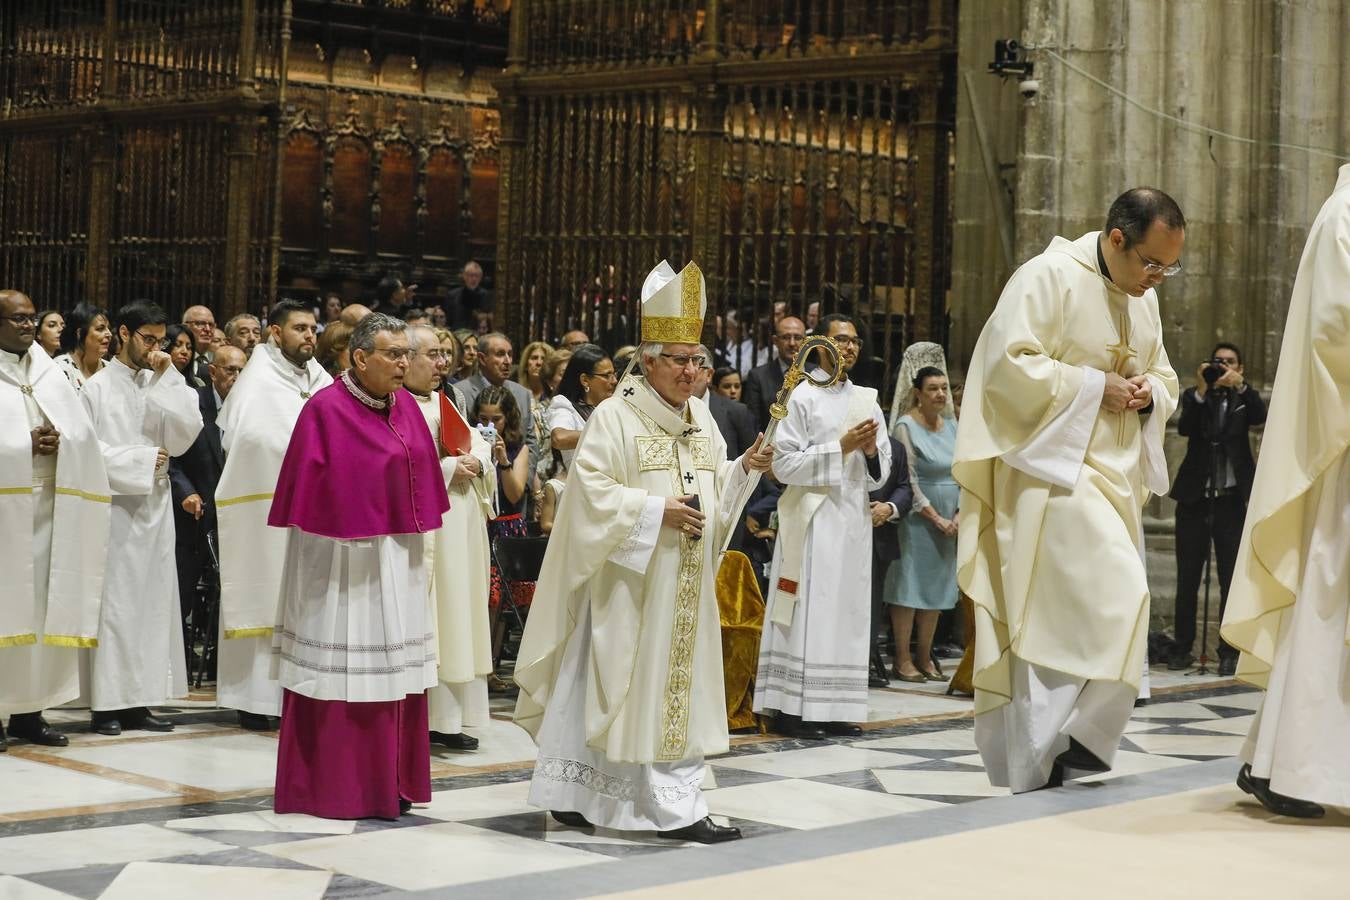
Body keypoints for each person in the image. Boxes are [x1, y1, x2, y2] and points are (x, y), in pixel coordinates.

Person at [514, 259, 772, 843]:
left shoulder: (703, 419)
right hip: (627, 582)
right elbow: (589, 495)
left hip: (681, 585)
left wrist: (742, 471)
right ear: (648, 360)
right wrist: (658, 513)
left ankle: (672, 802)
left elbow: (709, 492)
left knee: (666, 689)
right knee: (607, 682)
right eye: (678, 360)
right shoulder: (615, 416)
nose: (690, 371)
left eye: (697, 360)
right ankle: (583, 793)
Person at [954, 187, 1183, 793]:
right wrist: (1092, 387)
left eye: (1169, 266)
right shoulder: (1047, 276)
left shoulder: (1144, 301)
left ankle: (1071, 744)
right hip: (1049, 473)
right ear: (1116, 240)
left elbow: (1164, 373)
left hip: (1112, 475)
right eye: (1151, 262)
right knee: (1072, 611)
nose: (1157, 279)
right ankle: (1043, 752)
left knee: (1105, 607)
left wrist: (1147, 394)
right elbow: (1006, 369)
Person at [269, 312, 448, 820]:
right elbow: (311, 501)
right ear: (360, 357)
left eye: (406, 353)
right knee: (344, 673)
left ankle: (392, 780)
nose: (404, 363)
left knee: (396, 673)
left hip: (398, 562)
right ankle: (337, 786)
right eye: (394, 354)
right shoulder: (324, 411)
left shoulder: (407, 407)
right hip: (340, 571)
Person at [1220, 163, 1350, 820]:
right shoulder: (1345, 217)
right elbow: (1335, 329)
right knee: (1330, 604)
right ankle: (1293, 768)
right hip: (1344, 442)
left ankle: (1279, 762)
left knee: (1327, 610)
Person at [754, 313, 890, 739]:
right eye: (840, 340)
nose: (848, 347)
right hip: (810, 522)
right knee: (807, 608)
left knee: (845, 612)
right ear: (821, 346)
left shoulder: (867, 400)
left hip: (850, 521)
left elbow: (879, 475)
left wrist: (868, 452)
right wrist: (841, 447)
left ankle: (833, 707)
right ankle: (793, 710)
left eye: (854, 341)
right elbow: (782, 463)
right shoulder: (802, 397)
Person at [82, 300, 204, 735]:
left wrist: (169, 375)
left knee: (153, 603)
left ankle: (141, 701)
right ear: (123, 333)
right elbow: (85, 451)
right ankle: (107, 705)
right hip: (115, 508)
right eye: (147, 339)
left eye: (160, 340)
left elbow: (186, 434)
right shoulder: (96, 388)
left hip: (154, 509)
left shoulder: (160, 382)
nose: (154, 348)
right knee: (116, 604)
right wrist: (141, 459)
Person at [0, 290, 110, 751]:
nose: (27, 326)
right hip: (6, 511)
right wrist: (22, 445)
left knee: (41, 613)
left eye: (31, 319)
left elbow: (84, 431)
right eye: (18, 319)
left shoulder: (49, 372)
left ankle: (29, 711)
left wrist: (63, 441)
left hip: (50, 508)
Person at [215, 300, 331, 730]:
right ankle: (253, 699)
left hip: (313, 512)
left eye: (313, 328)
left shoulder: (320, 378)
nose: (309, 336)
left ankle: (300, 694)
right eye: (299, 328)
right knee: (264, 596)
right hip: (265, 510)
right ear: (276, 335)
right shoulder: (257, 380)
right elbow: (246, 439)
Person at [405, 325, 494, 752]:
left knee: (458, 617)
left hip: (460, 526)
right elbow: (397, 456)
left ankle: (450, 717)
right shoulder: (395, 402)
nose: (443, 363)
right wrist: (445, 470)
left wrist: (479, 457)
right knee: (434, 620)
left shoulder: (448, 400)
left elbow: (475, 438)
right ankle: (420, 716)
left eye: (445, 354)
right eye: (433, 354)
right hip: (426, 529)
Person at [1167, 342, 1267, 675]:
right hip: (1195, 498)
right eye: (1217, 362)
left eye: (1230, 363)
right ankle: (1182, 648)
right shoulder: (1198, 396)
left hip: (1231, 501)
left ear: (1240, 367)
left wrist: (1238, 385)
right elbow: (1184, 428)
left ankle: (1228, 651)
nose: (1222, 367)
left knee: (1229, 578)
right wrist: (1201, 389)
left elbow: (1260, 417)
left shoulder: (1243, 398)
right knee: (1188, 577)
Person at [168, 344, 242, 672]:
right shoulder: (192, 404)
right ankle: (172, 659)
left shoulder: (250, 408)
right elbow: (170, 456)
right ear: (212, 372)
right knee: (180, 594)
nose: (237, 378)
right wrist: (186, 491)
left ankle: (220, 660)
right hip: (193, 519)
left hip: (236, 520)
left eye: (243, 371)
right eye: (230, 370)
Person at [888, 367, 960, 682]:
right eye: (933, 388)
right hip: (918, 520)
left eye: (944, 388)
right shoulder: (906, 426)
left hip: (951, 517)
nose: (940, 395)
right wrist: (935, 516)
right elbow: (909, 477)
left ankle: (924, 655)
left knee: (936, 592)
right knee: (909, 588)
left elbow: (963, 470)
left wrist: (958, 515)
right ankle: (902, 657)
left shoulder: (953, 427)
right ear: (918, 392)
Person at [474, 386, 535, 621]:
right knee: (480, 599)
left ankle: (493, 656)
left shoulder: (518, 449)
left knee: (501, 604)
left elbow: (514, 494)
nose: (490, 426)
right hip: (479, 525)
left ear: (507, 418)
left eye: (496, 419)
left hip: (506, 529)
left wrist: (502, 460)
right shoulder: (469, 445)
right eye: (483, 419)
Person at [868, 434, 912, 687]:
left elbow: (905, 487)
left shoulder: (895, 446)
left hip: (880, 535)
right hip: (842, 533)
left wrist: (889, 507)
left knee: (873, 602)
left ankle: (864, 662)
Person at [460, 332, 539, 470]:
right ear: (482, 358)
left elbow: (530, 442)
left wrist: (523, 481)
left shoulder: (522, 393)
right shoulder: (461, 392)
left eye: (510, 354)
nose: (507, 361)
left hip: (515, 479)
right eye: (500, 354)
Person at [544, 343, 615, 473]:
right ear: (585, 380)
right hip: (581, 485)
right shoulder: (564, 404)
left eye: (614, 374)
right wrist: (603, 435)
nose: (614, 380)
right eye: (607, 375)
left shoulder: (610, 407)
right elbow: (559, 438)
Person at [743, 315, 806, 430]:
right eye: (786, 337)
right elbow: (753, 423)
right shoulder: (758, 376)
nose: (792, 343)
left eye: (797, 337)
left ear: (805, 341)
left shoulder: (816, 373)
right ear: (775, 341)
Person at [696, 349, 756, 459]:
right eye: (681, 362)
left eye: (696, 365)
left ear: (709, 374)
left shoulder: (738, 411)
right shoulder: (670, 405)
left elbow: (753, 462)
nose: (688, 371)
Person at [53, 303, 111, 391]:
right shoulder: (60, 367)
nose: (109, 334)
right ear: (80, 333)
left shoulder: (111, 369)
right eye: (100, 329)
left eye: (108, 328)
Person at [444, 260, 491, 330]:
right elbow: (449, 319)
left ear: (481, 278)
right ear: (464, 276)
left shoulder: (486, 295)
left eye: (477, 276)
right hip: (457, 332)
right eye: (471, 275)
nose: (474, 279)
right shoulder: (452, 295)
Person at [181, 305, 217, 380]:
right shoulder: (177, 358)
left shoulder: (217, 360)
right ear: (185, 326)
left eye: (211, 325)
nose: (207, 329)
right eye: (200, 323)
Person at [165, 324, 205, 388]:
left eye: (189, 347)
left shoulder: (198, 384)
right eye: (177, 345)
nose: (185, 352)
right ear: (165, 346)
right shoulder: (150, 378)